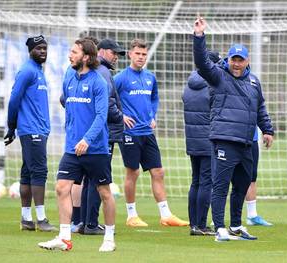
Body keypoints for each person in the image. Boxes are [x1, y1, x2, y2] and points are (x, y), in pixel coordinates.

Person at [193, 16, 275, 242]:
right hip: (224, 139)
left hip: (247, 142)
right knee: (220, 186)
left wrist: (267, 130)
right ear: (228, 59)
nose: (236, 63)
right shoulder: (219, 77)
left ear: (247, 61)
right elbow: (201, 62)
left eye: (241, 60)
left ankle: (237, 226)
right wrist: (199, 37)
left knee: (241, 186)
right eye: (233, 59)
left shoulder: (254, 82)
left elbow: (260, 108)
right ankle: (219, 228)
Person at [38, 38, 116, 252]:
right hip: (72, 147)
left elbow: (102, 116)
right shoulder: (68, 76)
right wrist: (73, 131)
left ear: (87, 57)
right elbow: (66, 102)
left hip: (96, 148)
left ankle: (109, 238)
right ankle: (64, 237)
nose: (69, 55)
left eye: (74, 52)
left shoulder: (99, 82)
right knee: (62, 187)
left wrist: (86, 139)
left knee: (104, 192)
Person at [114, 38, 188, 227]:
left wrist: (152, 115)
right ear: (130, 54)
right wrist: (120, 116)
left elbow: (154, 98)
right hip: (129, 133)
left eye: (144, 54)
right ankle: (132, 215)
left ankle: (166, 215)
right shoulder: (121, 78)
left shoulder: (150, 77)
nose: (141, 57)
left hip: (147, 131)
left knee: (158, 171)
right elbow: (107, 98)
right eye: (137, 54)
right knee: (133, 172)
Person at [4, 35, 56, 232]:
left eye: (45, 48)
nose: (42, 51)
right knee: (39, 172)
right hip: (32, 130)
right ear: (30, 51)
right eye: (38, 48)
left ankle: (26, 220)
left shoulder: (38, 71)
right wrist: (11, 126)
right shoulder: (27, 71)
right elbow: (13, 99)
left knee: (27, 173)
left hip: (38, 130)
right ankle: (41, 219)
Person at [76, 38, 126, 235]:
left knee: (90, 180)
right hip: (103, 134)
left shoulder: (93, 71)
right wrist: (121, 117)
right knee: (99, 182)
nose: (116, 57)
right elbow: (108, 105)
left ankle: (85, 222)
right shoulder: (103, 72)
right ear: (102, 51)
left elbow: (65, 99)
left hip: (91, 132)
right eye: (114, 53)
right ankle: (91, 224)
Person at [182, 50, 221, 236]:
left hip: (192, 139)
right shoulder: (211, 85)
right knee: (207, 182)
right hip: (208, 139)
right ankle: (202, 225)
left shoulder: (189, 85)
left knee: (195, 181)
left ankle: (193, 224)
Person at [245, 128, 273, 226]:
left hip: (251, 139)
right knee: (224, 177)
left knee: (251, 177)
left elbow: (260, 113)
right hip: (228, 139)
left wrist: (267, 131)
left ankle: (252, 216)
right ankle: (217, 218)